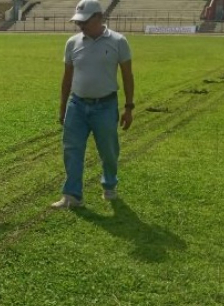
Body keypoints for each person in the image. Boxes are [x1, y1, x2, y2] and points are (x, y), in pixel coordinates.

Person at [52, 0, 134, 209]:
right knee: (72, 150)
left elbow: (127, 76)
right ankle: (72, 195)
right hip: (77, 105)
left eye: (84, 21)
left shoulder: (118, 41)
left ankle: (109, 185)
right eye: (78, 22)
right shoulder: (72, 43)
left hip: (105, 106)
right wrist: (63, 107)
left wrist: (129, 107)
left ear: (99, 17)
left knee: (108, 151)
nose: (80, 26)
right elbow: (66, 78)